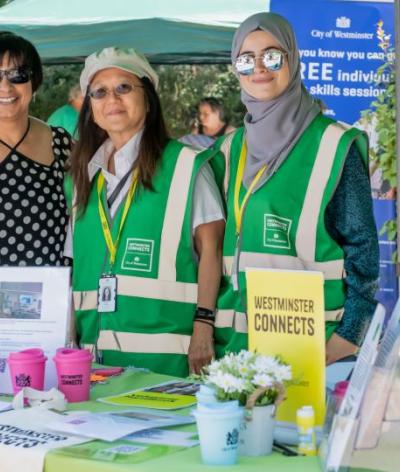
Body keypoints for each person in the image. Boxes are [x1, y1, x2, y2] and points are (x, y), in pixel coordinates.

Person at [210, 13, 379, 365]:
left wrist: (348, 337)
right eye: (246, 60)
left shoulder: (334, 144)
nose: (259, 68)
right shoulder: (228, 150)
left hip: (317, 349)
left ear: (293, 58)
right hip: (236, 348)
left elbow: (362, 248)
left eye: (272, 56)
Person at [64, 47, 225, 377]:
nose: (112, 99)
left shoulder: (186, 164)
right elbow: (75, 266)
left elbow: (213, 250)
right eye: (100, 92)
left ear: (148, 99)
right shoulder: (82, 177)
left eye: (124, 87)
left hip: (169, 365)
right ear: (91, 109)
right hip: (96, 363)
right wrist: (68, 341)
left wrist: (204, 327)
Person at [0, 32, 71, 267]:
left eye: (18, 74)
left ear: (34, 80)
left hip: (52, 296)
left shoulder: (62, 144)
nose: (6, 86)